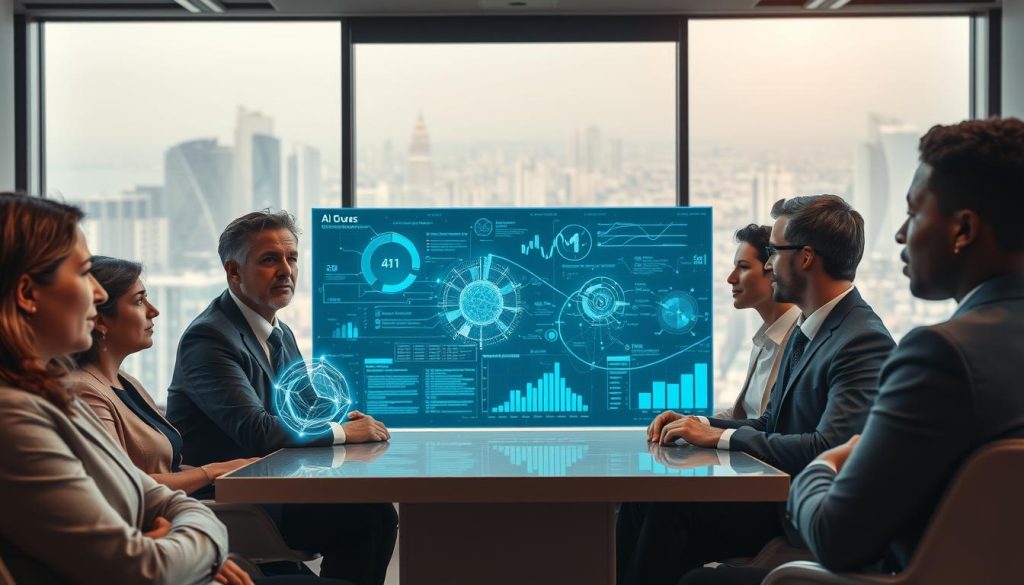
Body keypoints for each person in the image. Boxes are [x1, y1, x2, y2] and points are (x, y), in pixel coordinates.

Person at [617, 194, 895, 585]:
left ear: (806, 257)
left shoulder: (860, 340)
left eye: (774, 252)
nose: (769, 265)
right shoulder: (810, 329)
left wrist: (722, 437)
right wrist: (696, 423)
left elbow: (826, 447)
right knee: (644, 500)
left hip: (804, 513)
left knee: (669, 509)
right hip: (780, 499)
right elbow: (772, 421)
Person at [0, 192, 236, 584]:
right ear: (27, 295)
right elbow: (142, 570)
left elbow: (156, 498)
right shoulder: (14, 419)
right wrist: (203, 544)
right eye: (82, 273)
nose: (96, 292)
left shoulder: (52, 395)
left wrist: (171, 540)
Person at [167, 210, 397, 585]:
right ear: (234, 271)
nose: (286, 270)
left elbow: (306, 409)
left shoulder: (279, 330)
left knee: (372, 512)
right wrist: (340, 433)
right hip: (230, 498)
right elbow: (257, 431)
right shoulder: (209, 339)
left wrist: (350, 422)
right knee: (369, 516)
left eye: (292, 258)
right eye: (270, 260)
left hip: (279, 484)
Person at [71, 257, 256, 494]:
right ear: (100, 320)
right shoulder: (84, 392)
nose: (154, 311)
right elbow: (120, 484)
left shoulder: (126, 382)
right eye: (139, 301)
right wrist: (211, 471)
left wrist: (232, 470)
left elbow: (170, 469)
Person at [718, 224, 799, 420]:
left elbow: (772, 427)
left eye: (743, 267)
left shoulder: (801, 340)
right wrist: (692, 423)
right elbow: (746, 416)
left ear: (773, 269)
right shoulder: (763, 340)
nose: (731, 278)